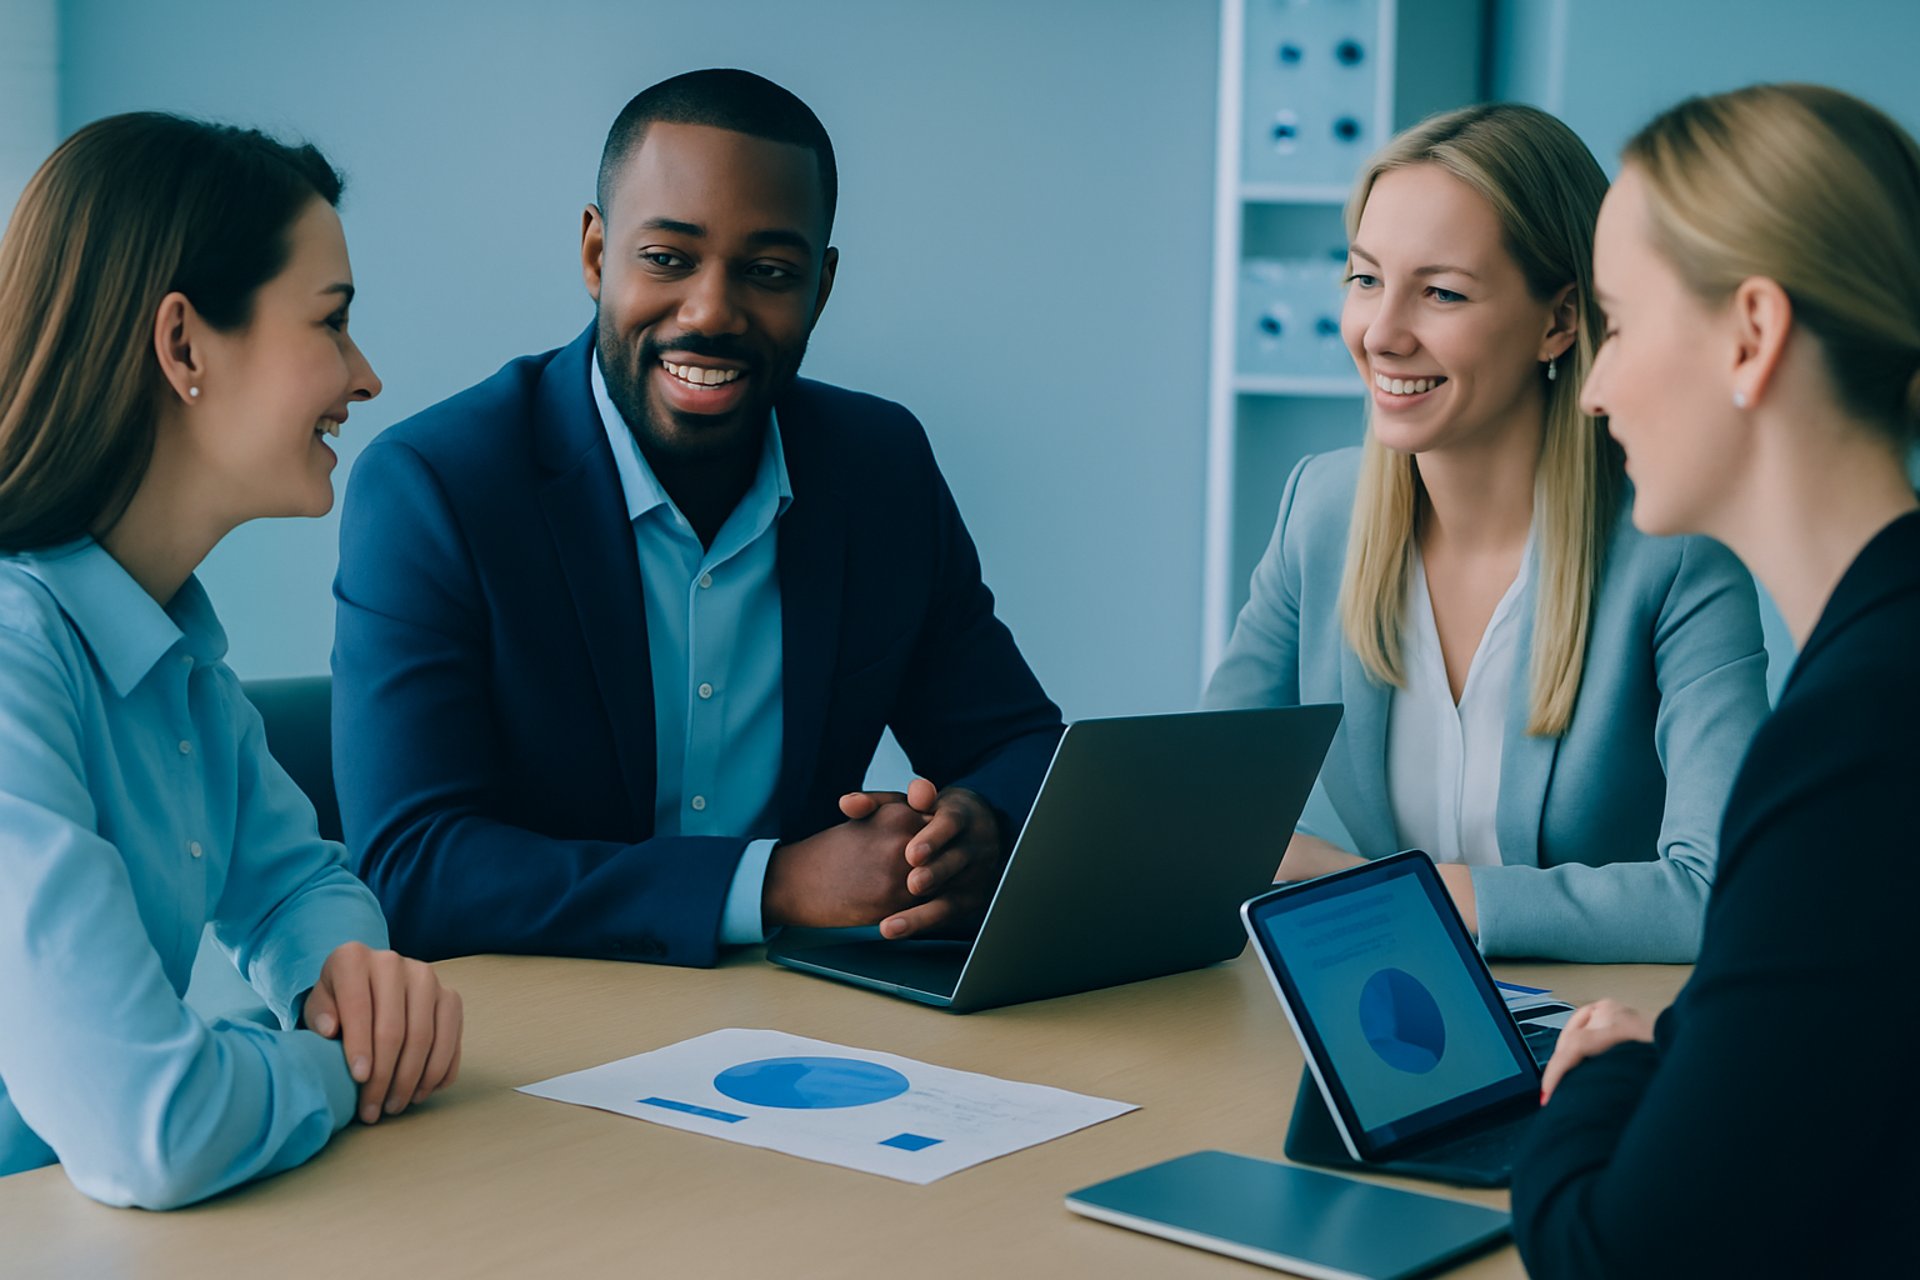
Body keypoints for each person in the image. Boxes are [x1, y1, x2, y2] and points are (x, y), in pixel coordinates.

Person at [331, 69, 1063, 966]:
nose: (712, 312)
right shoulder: (437, 487)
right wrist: (774, 884)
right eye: (668, 259)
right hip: (533, 1035)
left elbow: (1021, 746)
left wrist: (975, 825)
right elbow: (412, 867)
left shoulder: (879, 467)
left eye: (768, 272)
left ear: (821, 288)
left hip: (800, 1031)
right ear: (598, 255)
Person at [0, 114, 462, 1208]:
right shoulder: (15, 658)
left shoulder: (169, 641)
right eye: (334, 323)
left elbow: (298, 879)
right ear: (184, 346)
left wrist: (335, 979)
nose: (366, 376)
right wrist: (339, 1067)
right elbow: (153, 1129)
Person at [1203, 103, 1770, 962]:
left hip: (1601, 1042)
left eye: (1441, 292)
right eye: (1363, 278)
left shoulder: (1678, 550)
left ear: (1560, 320)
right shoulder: (1321, 509)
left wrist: (1379, 889)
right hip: (1390, 1009)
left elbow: (1717, 890)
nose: (1382, 333)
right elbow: (1199, 809)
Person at [1514, 83, 1920, 1275]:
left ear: (1751, 334)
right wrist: (1694, 1049)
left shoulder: (1860, 736)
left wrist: (1611, 1070)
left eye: (1624, 325)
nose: (1591, 388)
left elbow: (1614, 1254)